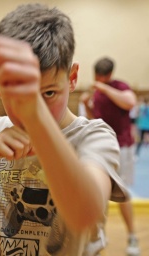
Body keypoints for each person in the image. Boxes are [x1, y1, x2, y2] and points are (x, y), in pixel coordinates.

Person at [0, 4, 129, 256]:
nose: (29, 108)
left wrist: (36, 118)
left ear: (72, 77)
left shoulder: (94, 136)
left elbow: (83, 214)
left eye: (49, 93)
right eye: (16, 94)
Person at [82, 57, 140, 256]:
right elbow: (96, 120)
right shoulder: (97, 93)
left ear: (107, 75)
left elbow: (130, 102)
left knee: (122, 193)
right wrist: (87, 105)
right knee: (100, 191)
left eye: (100, 76)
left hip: (122, 146)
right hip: (102, 146)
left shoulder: (119, 86)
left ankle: (132, 236)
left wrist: (104, 88)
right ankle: (98, 239)